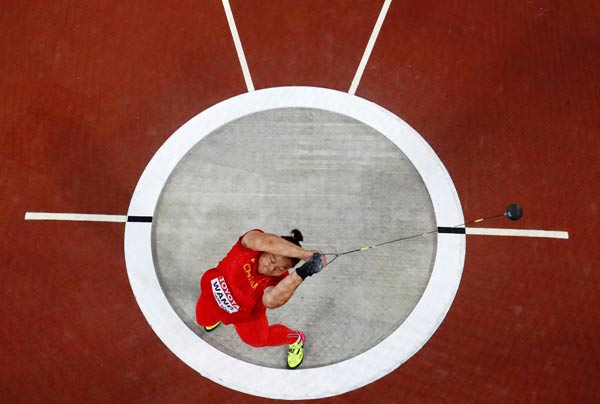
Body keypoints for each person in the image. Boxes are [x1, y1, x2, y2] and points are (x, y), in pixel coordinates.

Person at [195, 229, 326, 369]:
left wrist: (303, 272)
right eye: (272, 260)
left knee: (258, 341)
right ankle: (220, 316)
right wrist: (305, 254)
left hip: (246, 316)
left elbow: (271, 301)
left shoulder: (278, 280)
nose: (271, 269)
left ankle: (296, 338)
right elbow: (266, 241)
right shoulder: (248, 247)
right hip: (212, 296)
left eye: (280, 268)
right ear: (266, 250)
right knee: (203, 320)